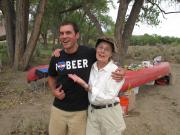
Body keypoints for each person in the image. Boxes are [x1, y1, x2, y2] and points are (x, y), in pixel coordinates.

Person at [48, 21, 125, 135]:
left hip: (81, 111)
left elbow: (106, 58)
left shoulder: (89, 53)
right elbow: (51, 76)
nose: (64, 36)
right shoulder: (57, 57)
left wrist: (122, 69)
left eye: (68, 33)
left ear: (77, 35)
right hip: (59, 109)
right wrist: (53, 91)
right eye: (62, 33)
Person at [68, 36, 126, 135]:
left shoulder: (116, 72)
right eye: (100, 47)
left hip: (109, 113)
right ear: (96, 49)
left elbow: (108, 97)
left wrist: (87, 86)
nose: (102, 51)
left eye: (107, 49)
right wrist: (60, 51)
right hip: (92, 112)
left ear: (111, 54)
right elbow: (74, 54)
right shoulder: (91, 67)